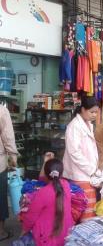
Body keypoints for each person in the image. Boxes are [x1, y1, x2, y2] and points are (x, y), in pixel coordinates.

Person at [20, 159, 74, 246]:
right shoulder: (66, 185)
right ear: (61, 173)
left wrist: (22, 233)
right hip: (66, 235)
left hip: (46, 239)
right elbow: (43, 178)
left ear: (46, 173)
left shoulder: (43, 193)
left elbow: (30, 218)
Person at [63, 96, 99, 220]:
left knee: (85, 210)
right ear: (83, 109)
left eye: (96, 112)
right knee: (86, 213)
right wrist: (92, 169)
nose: (94, 115)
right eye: (92, 112)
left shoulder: (88, 124)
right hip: (80, 175)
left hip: (87, 174)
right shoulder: (74, 126)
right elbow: (74, 153)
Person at [0, 105, 19, 242]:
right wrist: (13, 156)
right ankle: (0, 232)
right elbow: (7, 135)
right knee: (0, 197)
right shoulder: (1, 110)